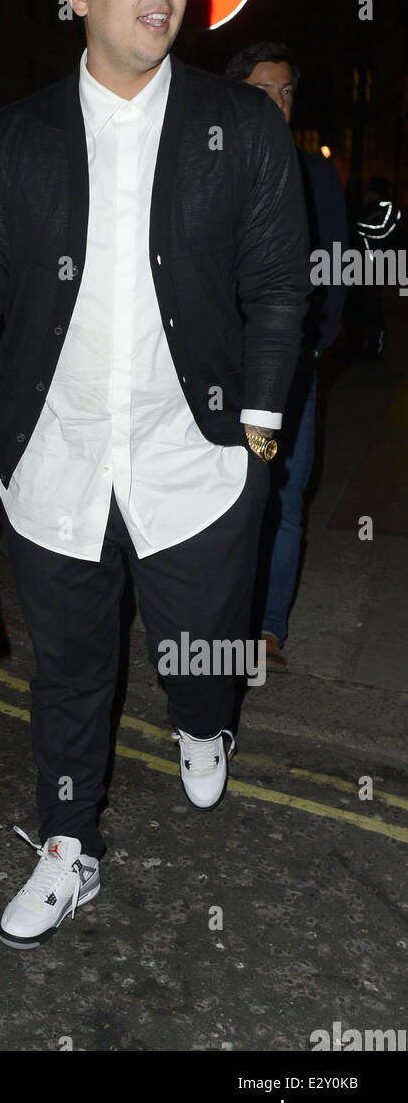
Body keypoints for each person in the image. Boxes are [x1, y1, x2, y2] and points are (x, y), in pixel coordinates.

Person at [0, 0, 309, 950]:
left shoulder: (237, 126)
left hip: (192, 450)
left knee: (198, 647)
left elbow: (278, 285)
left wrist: (258, 430)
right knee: (70, 671)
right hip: (52, 460)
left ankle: (201, 724)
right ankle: (65, 846)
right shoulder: (14, 140)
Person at [225, 42, 348, 673]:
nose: (277, 102)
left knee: (284, 495)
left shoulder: (315, 174)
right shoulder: (213, 165)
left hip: (292, 368)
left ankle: (267, 631)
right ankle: (220, 621)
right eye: (262, 89)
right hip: (224, 368)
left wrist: (316, 341)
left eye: (287, 91)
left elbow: (334, 263)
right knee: (226, 494)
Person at [347, 175, 402, 360]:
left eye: (370, 191)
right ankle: (356, 346)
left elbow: (382, 231)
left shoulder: (390, 209)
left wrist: (358, 227)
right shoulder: (365, 209)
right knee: (358, 307)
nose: (367, 194)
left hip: (375, 266)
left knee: (372, 309)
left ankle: (373, 348)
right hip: (359, 265)